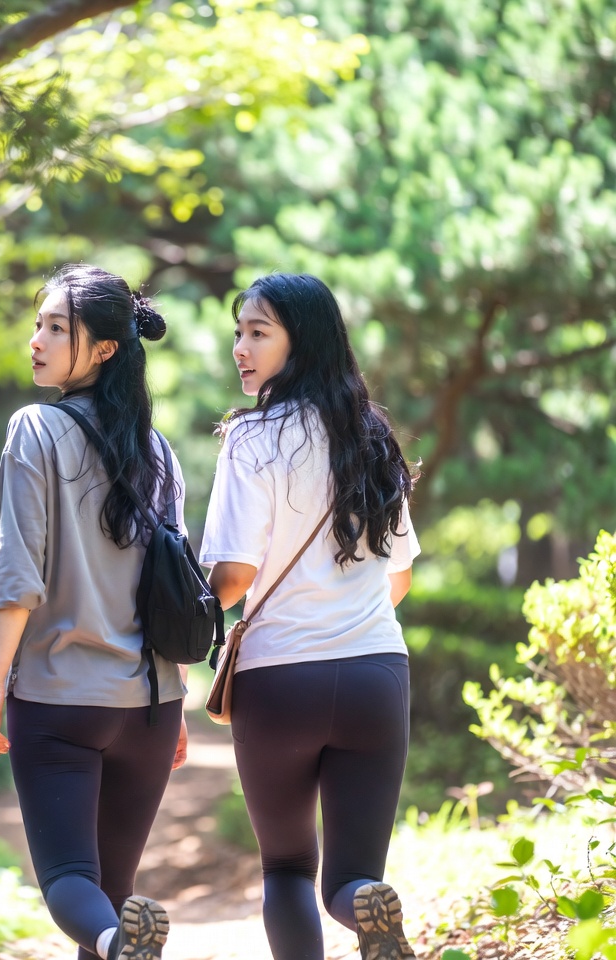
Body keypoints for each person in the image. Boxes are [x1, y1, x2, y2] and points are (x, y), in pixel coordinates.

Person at [200, 273, 421, 960]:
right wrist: (343, 622)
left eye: (258, 332)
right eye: (239, 331)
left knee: (287, 868)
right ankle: (365, 910)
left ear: (303, 341)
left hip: (279, 682)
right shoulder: (373, 436)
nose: (241, 347)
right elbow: (401, 575)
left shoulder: (251, 438)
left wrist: (190, 610)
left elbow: (233, 578)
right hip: (376, 675)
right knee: (351, 874)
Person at [0, 264, 187, 960]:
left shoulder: (33, 429)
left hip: (61, 701)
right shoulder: (159, 451)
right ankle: (120, 939)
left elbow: (18, 577)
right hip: (150, 708)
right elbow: (173, 586)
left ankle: (113, 939)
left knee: (71, 881)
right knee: (114, 893)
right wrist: (177, 698)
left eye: (57, 327)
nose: (36, 339)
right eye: (38, 323)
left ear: (103, 349)